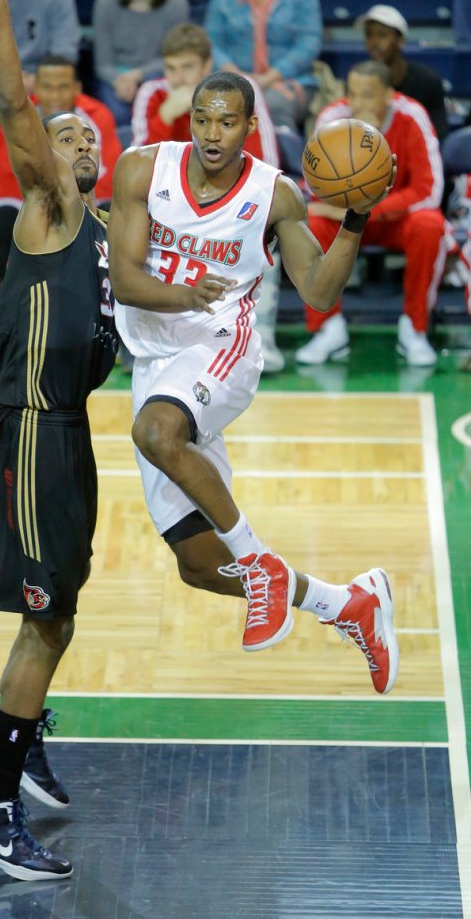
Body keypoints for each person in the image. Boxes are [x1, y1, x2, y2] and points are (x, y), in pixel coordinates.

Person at [107, 68, 399, 697]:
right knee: (199, 564)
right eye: (203, 119)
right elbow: (127, 284)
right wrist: (184, 290)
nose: (213, 133)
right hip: (157, 359)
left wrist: (355, 219)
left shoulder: (275, 195)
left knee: (156, 431)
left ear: (249, 126)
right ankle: (347, 604)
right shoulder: (141, 170)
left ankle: (259, 560)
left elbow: (319, 293)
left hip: (223, 344)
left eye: (228, 121)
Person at [0, 0, 117, 880]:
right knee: (42, 616)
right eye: (63, 134)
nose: (77, 137)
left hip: (69, 432)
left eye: (89, 129)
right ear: (38, 160)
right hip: (31, 428)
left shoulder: (97, 230)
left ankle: (18, 732)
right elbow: (13, 99)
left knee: (63, 606)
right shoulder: (48, 206)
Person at [131, 21, 285, 372]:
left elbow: (268, 164)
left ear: (206, 65)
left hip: (230, 205)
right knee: (133, 226)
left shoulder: (241, 92)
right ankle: (143, 333)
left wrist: (230, 207)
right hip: (168, 206)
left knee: (266, 230)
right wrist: (168, 115)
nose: (178, 78)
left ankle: (260, 336)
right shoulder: (153, 95)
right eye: (171, 68)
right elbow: (135, 169)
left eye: (187, 68)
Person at [295, 60, 448, 368]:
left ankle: (415, 329)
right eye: (352, 93)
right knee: (313, 221)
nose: (357, 103)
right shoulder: (333, 118)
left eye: (367, 95)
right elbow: (315, 185)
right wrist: (350, 211)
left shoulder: (412, 115)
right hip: (347, 219)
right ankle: (327, 327)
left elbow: (428, 190)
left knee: (431, 225)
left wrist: (370, 209)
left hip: (393, 218)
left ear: (389, 95)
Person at [0, 53, 123, 276]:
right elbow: (2, 179)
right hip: (30, 200)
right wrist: (45, 199)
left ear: (77, 88)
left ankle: (106, 291)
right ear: (35, 87)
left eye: (63, 87)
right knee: (2, 215)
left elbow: (109, 177)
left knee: (113, 212)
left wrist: (71, 201)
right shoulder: (18, 123)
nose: (55, 95)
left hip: (84, 201)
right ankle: (13, 292)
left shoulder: (98, 116)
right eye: (48, 87)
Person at [204, 0, 322, 133]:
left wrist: (268, 78)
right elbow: (212, 43)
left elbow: (309, 43)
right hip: (233, 80)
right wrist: (237, 76)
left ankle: (287, 166)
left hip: (288, 80)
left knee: (271, 106)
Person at [91, 0, 189, 125]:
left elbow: (176, 58)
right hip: (115, 78)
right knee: (114, 114)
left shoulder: (177, 4)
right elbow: (102, 64)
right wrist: (121, 80)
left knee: (156, 108)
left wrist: (138, 75)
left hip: (158, 75)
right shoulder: (105, 3)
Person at [356, 4, 448, 142]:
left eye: (382, 35)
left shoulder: (428, 81)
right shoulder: (358, 83)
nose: (374, 42)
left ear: (400, 41)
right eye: (369, 35)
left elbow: (436, 135)